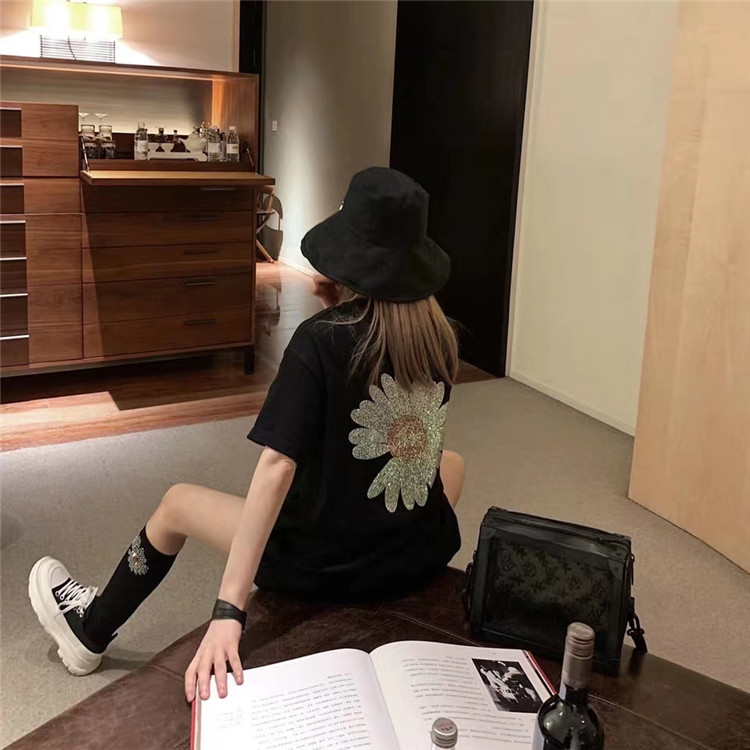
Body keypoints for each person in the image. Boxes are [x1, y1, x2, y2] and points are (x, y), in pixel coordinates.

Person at [28, 167, 465, 704]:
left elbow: (277, 468)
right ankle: (387, 560)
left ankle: (90, 629)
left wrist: (228, 610)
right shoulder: (439, 338)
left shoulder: (317, 342)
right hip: (410, 559)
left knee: (176, 503)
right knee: (452, 462)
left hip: (319, 564)